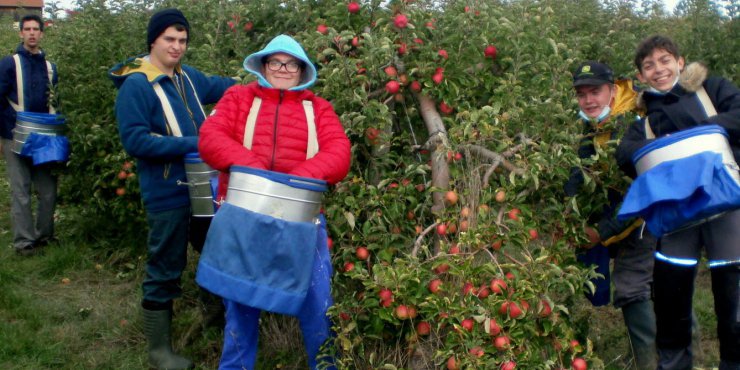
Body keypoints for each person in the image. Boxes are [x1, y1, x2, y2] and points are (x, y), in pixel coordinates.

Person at [195, 34, 351, 370]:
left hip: (300, 221)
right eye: (275, 62)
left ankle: (326, 366)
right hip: (242, 216)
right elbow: (210, 138)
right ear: (264, 66)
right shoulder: (238, 98)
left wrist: (297, 178)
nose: (283, 69)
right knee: (240, 305)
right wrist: (254, 171)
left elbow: (339, 154)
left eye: (290, 63)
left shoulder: (318, 109)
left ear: (301, 70)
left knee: (318, 304)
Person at [108, 8, 235, 370]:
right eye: (169, 39)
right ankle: (159, 350)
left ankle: (215, 318)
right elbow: (135, 141)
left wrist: (261, 80)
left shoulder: (187, 78)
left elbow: (223, 86)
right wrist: (196, 143)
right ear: (153, 40)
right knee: (166, 263)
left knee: (213, 249)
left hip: (202, 185)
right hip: (165, 190)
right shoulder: (137, 85)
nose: (177, 46)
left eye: (182, 40)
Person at [616, 35, 740, 370]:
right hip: (677, 219)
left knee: (734, 299)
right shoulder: (643, 123)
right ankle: (674, 365)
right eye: (648, 65)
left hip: (726, 207)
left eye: (665, 59)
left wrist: (699, 132)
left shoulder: (710, 90)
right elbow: (625, 155)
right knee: (671, 301)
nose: (658, 69)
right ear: (641, 77)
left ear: (680, 62)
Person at [565, 61, 657, 369]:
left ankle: (651, 360)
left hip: (648, 216)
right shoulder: (595, 124)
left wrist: (600, 232)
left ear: (612, 89)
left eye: (595, 92)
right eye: (581, 94)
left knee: (634, 286)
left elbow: (640, 193)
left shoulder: (631, 124)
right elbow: (580, 171)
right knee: (658, 286)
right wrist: (567, 214)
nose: (588, 100)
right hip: (619, 210)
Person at [0, 14, 59, 256]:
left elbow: (56, 102)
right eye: (28, 29)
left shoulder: (50, 67)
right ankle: (24, 242)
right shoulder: (8, 63)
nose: (32, 33)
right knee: (20, 190)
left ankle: (44, 235)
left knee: (48, 189)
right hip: (13, 134)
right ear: (21, 33)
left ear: (42, 34)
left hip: (44, 137)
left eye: (36, 29)